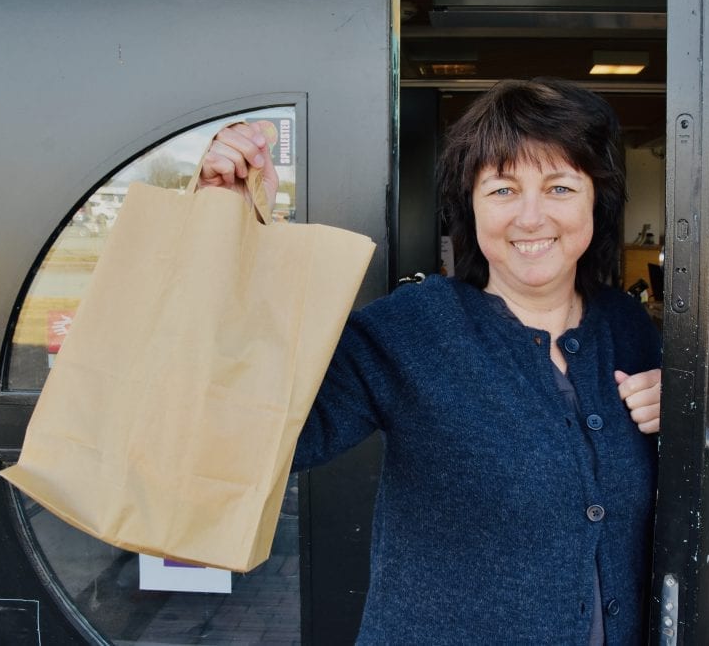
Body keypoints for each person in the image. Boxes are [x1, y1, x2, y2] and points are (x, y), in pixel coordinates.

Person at [200, 78, 663, 644]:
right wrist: (226, 232)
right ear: (469, 205)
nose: (531, 216)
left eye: (560, 187)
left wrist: (680, 417)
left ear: (597, 199)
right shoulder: (414, 328)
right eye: (503, 190)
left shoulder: (629, 328)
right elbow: (258, 432)